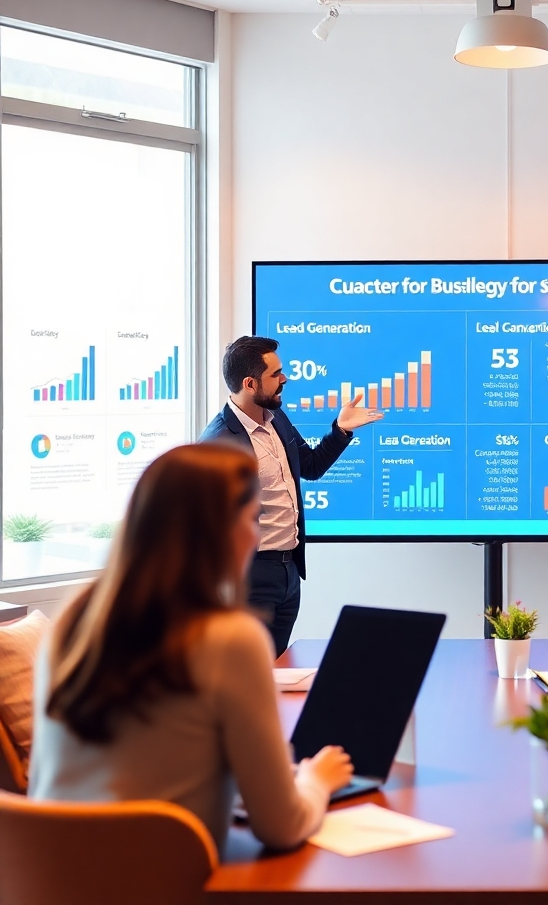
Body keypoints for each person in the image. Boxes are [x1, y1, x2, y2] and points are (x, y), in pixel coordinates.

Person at [29, 443, 353, 852]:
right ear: (217, 532)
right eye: (254, 517)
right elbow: (282, 826)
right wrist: (315, 780)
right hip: (161, 881)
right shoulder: (231, 638)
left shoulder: (75, 621)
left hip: (50, 876)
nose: (256, 534)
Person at [201, 336, 382, 656]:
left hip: (288, 572)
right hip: (250, 577)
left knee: (277, 669)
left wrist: (340, 430)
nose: (285, 379)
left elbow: (310, 466)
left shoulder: (275, 418)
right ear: (249, 383)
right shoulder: (219, 442)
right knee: (249, 674)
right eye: (276, 374)